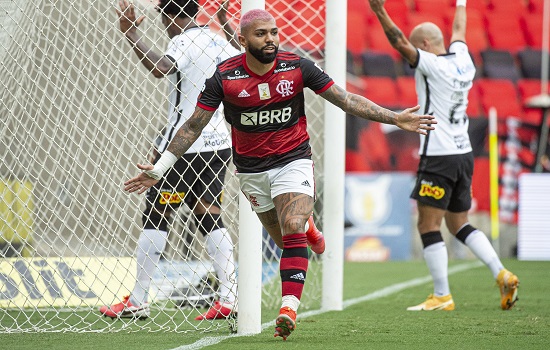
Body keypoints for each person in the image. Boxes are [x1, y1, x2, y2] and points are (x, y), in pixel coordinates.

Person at [123, 8, 436, 339]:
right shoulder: (224, 77)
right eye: (261, 34)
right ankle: (308, 228)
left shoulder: (297, 67)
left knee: (292, 227)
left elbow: (345, 100)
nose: (270, 39)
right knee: (286, 239)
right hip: (252, 172)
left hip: (293, 161)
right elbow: (193, 125)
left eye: (273, 32)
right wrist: (159, 168)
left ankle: (288, 308)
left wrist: (395, 117)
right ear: (242, 40)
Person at [368, 0, 519, 311]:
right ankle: (500, 272)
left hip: (438, 156)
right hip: (464, 154)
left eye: (416, 43)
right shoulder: (464, 59)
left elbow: (399, 43)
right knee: (459, 223)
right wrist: (461, 3)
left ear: (424, 44)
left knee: (428, 224)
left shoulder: (431, 64)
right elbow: (460, 29)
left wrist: (379, 11)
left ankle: (442, 295)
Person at [99, 0, 243, 321]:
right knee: (209, 216)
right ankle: (230, 297)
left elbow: (161, 68)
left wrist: (131, 33)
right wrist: (227, 24)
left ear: (168, 15)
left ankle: (138, 299)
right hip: (218, 143)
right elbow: (241, 61)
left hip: (185, 148)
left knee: (157, 215)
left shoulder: (182, 39)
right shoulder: (218, 40)